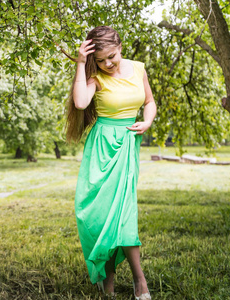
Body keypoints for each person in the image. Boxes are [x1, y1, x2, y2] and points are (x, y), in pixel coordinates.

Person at [64, 26, 157, 299]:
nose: (108, 64)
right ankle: (109, 281)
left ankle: (140, 281)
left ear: (120, 46)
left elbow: (149, 102)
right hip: (102, 148)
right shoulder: (94, 77)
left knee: (124, 213)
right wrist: (82, 63)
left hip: (127, 144)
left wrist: (148, 120)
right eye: (101, 60)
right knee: (101, 214)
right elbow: (81, 103)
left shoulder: (138, 69)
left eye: (112, 57)